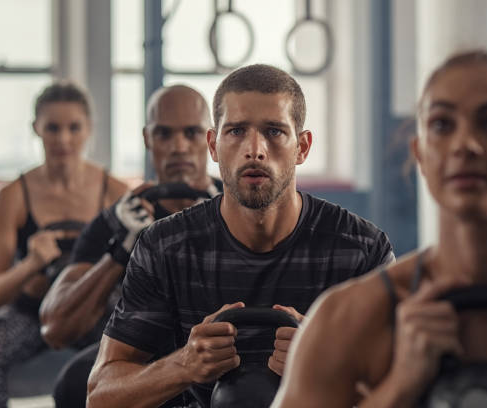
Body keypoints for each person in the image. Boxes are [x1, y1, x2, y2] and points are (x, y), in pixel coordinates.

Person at [86, 64, 395, 408]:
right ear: (213, 146)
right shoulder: (165, 246)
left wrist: (327, 366)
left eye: (275, 131)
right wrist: (183, 365)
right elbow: (100, 395)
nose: (255, 150)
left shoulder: (361, 250)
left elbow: (406, 388)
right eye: (235, 131)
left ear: (303, 147)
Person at [272, 50, 487, 408]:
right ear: (420, 153)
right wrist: (399, 386)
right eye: (441, 125)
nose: (465, 145)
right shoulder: (349, 317)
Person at [38, 84, 223, 408]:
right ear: (148, 139)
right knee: (73, 384)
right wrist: (122, 249)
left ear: (211, 138)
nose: (179, 147)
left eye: (191, 133)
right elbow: (55, 327)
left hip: (225, 348)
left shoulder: (239, 204)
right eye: (164, 134)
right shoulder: (118, 220)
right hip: (145, 352)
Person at [0, 82, 127, 408]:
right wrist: (31, 263)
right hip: (33, 310)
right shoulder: (11, 197)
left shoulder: (114, 192)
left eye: (73, 127)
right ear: (36, 129)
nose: (63, 139)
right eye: (53, 128)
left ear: (88, 130)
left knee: (135, 352)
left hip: (92, 308)